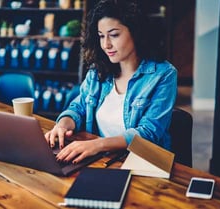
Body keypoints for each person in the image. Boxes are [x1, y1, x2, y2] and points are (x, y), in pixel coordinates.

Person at [45, 0, 177, 164]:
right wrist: (63, 125)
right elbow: (78, 108)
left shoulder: (163, 74)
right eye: (101, 36)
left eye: (114, 35)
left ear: (135, 32)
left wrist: (97, 145)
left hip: (143, 164)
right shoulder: (98, 70)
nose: (106, 45)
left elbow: (148, 134)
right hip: (101, 160)